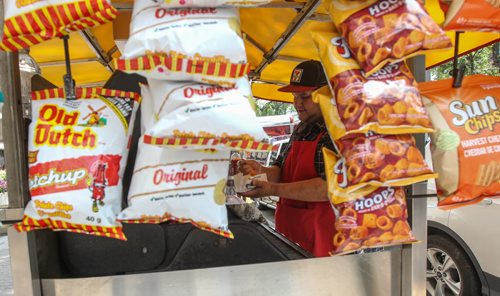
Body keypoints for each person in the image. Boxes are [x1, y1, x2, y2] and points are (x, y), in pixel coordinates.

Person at [239, 60, 336, 257]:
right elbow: (281, 170)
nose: (297, 103)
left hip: (322, 241)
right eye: (295, 96)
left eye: (305, 96)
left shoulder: (335, 133)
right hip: (290, 233)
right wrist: (260, 171)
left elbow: (328, 188)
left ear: (325, 94)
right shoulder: (300, 129)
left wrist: (272, 189)